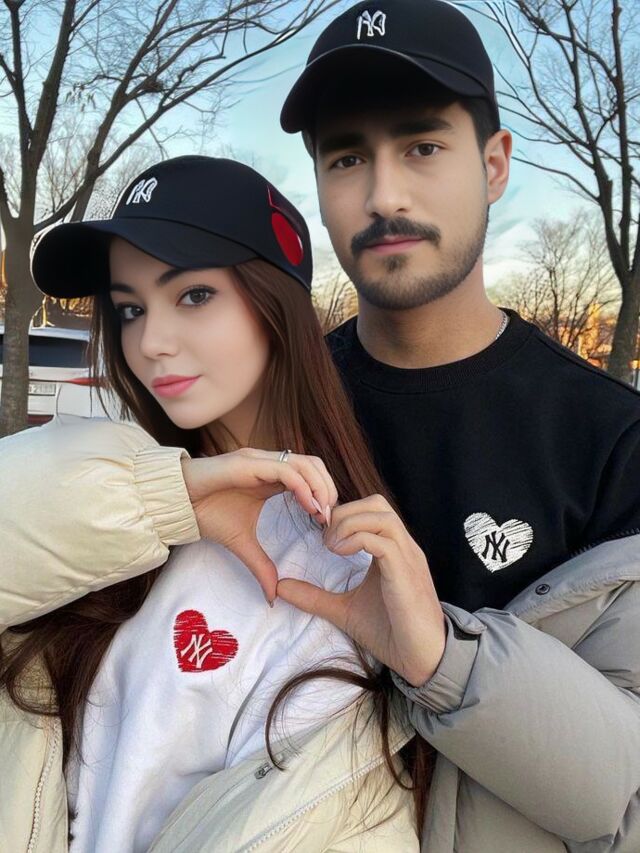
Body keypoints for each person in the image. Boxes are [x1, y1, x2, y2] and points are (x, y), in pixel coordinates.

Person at [3, 1, 640, 851]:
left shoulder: (612, 440)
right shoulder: (235, 408)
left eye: (422, 146)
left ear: (494, 164)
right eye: (346, 158)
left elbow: (624, 795)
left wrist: (441, 658)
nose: (384, 195)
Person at [0, 156, 425, 852]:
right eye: (130, 308)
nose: (150, 342)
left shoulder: (345, 576)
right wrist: (161, 498)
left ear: (274, 306)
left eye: (193, 295)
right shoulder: (100, 490)